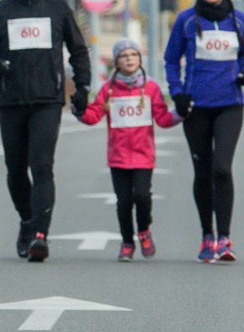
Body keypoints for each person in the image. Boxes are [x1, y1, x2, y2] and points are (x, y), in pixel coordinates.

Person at [0, 0, 91, 262]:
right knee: (16, 170)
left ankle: (39, 234)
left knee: (42, 165)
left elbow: (78, 50)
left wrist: (84, 86)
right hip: (10, 101)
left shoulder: (57, 9)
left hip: (47, 100)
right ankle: (26, 220)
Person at [164, 0, 244, 263]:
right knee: (202, 172)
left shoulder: (239, 20)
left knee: (222, 169)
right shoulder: (187, 20)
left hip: (230, 104)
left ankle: (225, 238)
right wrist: (177, 93)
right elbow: (171, 59)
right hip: (196, 107)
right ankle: (207, 235)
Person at [75, 38, 181, 261]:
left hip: (144, 155)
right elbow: (94, 115)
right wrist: (79, 110)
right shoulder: (109, 89)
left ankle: (144, 231)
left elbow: (162, 118)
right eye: (124, 56)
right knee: (123, 201)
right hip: (118, 156)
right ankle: (126, 241)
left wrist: (181, 112)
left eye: (133, 55)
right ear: (116, 62)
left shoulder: (150, 87)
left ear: (140, 59)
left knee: (142, 196)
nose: (129, 59)